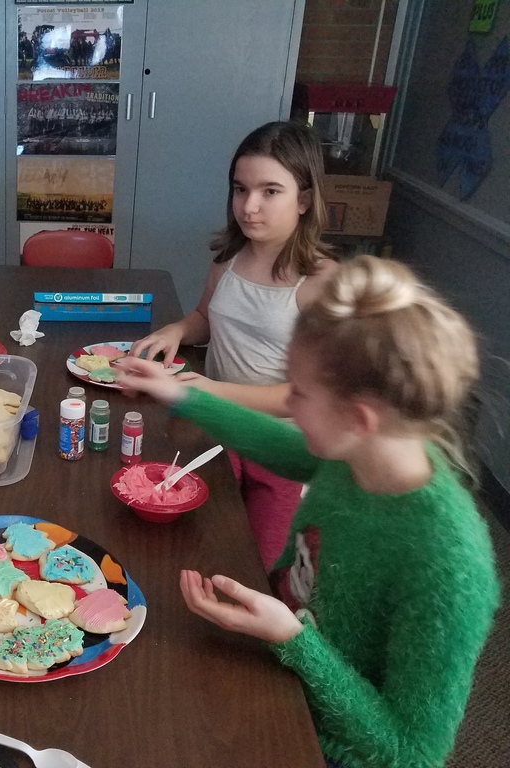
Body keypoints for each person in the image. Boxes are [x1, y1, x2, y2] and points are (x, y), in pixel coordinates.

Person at [116, 255, 499, 768]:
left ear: (359, 418)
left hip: (324, 742)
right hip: (279, 662)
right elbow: (285, 447)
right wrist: (182, 395)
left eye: (298, 392)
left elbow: (411, 753)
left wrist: (295, 640)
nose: (287, 404)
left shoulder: (449, 565)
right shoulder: (363, 451)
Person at [130, 121, 339, 569]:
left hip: (279, 449)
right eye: (240, 189)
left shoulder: (322, 283)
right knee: (202, 545)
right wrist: (177, 331)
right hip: (218, 431)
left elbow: (305, 398)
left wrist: (207, 390)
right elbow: (207, 318)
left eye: (270, 191)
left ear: (304, 199)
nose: (249, 206)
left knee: (258, 565)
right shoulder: (230, 258)